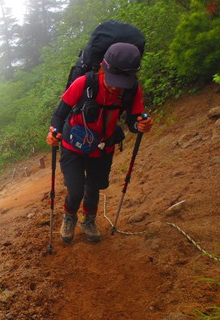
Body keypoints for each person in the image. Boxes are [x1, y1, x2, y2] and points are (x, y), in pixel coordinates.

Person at [46, 42, 154, 243]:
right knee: (76, 190)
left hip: (103, 147)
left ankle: (89, 220)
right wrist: (54, 132)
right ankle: (69, 217)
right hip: (73, 146)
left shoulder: (131, 90)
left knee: (94, 187)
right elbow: (59, 115)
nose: (115, 87)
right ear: (103, 67)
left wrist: (141, 125)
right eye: (112, 80)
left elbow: (133, 120)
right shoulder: (83, 83)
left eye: (122, 82)